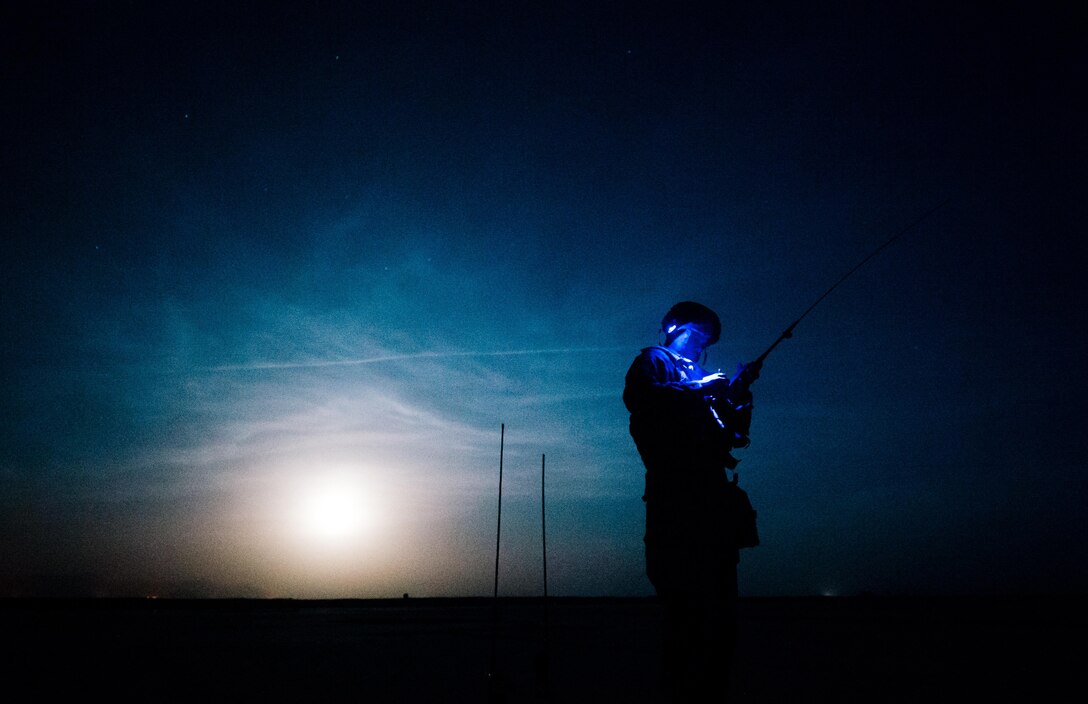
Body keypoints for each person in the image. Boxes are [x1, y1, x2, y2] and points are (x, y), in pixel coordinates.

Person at [622, 301, 759, 701]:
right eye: (698, 336)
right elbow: (640, 398)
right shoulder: (652, 361)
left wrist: (739, 392)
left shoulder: (702, 377)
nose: (701, 346)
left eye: (708, 342)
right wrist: (700, 388)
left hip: (714, 506)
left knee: (721, 620)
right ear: (675, 328)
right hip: (676, 503)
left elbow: (733, 435)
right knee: (683, 618)